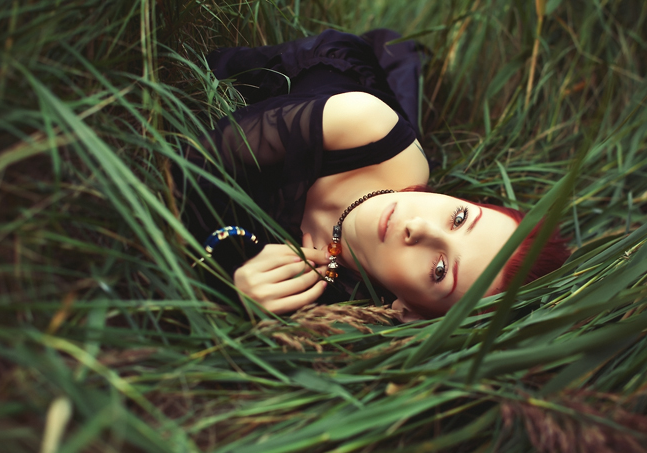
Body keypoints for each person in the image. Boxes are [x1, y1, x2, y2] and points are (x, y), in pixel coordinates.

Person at [173, 29, 569, 321]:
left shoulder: (341, 306)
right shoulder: (361, 121)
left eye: (439, 270)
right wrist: (222, 261)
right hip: (324, 80)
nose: (418, 227)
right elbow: (181, 163)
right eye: (459, 217)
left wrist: (237, 289)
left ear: (410, 312)